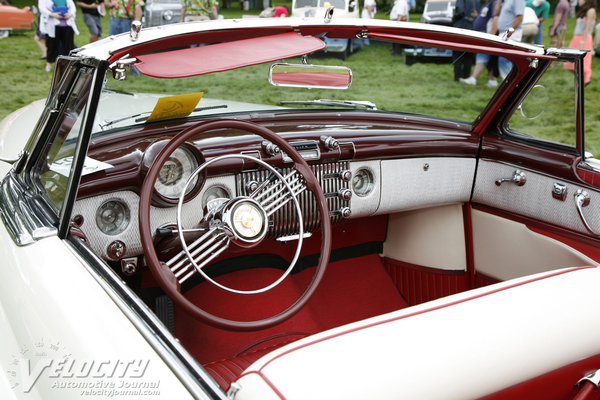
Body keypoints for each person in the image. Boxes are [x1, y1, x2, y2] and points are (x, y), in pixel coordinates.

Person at [460, 0, 499, 86]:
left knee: (482, 56)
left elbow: (495, 18)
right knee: (488, 58)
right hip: (484, 35)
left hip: (487, 35)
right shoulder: (488, 3)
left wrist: (492, 36)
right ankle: (492, 80)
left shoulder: (494, 3)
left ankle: (474, 78)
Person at [39, 0, 79, 72]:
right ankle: (49, 64)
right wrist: (53, 14)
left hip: (67, 25)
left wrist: (70, 14)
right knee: (51, 46)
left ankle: (68, 65)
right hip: (52, 26)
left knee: (68, 46)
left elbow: (72, 7)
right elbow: (42, 8)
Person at [564, 0, 596, 85]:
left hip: (584, 39)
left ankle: (585, 79)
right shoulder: (584, 10)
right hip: (576, 38)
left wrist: (582, 42)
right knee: (569, 63)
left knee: (583, 62)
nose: (578, 0)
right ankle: (580, 79)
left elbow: (588, 29)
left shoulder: (591, 11)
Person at [495, 0, 525, 79]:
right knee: (504, 58)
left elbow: (520, 17)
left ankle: (511, 82)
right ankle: (509, 81)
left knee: (506, 58)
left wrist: (509, 31)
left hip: (511, 33)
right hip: (504, 33)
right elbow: (496, 13)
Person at [451, 0, 479, 81]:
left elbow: (460, 11)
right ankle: (466, 75)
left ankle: (457, 76)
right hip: (472, 28)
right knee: (469, 54)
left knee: (457, 53)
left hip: (460, 28)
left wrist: (453, 16)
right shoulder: (477, 1)